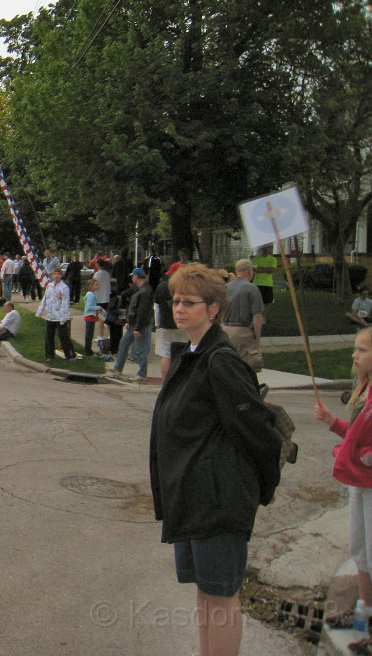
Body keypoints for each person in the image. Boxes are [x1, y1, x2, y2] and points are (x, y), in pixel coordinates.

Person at [149, 264, 281, 656]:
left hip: (217, 499)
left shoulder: (219, 359)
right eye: (176, 300)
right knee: (207, 595)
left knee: (222, 599)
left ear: (214, 308)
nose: (180, 308)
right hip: (193, 496)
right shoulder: (191, 353)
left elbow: (258, 431)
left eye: (190, 302)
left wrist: (258, 487)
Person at [315, 327, 372, 648]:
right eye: (355, 349)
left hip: (370, 482)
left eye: (362, 350)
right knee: (361, 550)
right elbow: (357, 435)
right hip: (359, 482)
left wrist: (366, 456)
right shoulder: (363, 388)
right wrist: (333, 422)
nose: (355, 355)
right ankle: (364, 612)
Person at [105, 268, 154, 382]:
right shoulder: (139, 290)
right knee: (124, 343)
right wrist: (129, 321)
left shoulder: (144, 292)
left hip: (140, 325)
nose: (132, 278)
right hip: (134, 324)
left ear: (136, 277)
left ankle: (142, 374)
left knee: (141, 348)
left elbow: (143, 311)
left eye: (133, 276)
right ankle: (118, 368)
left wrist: (138, 328)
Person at [223, 258, 265, 373]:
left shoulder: (226, 287)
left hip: (225, 330)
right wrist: (257, 336)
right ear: (249, 271)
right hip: (243, 332)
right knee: (245, 368)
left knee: (229, 366)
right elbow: (257, 316)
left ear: (237, 271)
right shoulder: (252, 288)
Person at [153, 262, 188, 379]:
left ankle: (165, 383)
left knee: (165, 355)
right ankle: (180, 381)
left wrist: (157, 324)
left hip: (165, 324)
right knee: (183, 354)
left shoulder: (161, 287)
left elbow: (156, 308)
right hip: (183, 324)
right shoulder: (187, 287)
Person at [36, 268, 77, 361]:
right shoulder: (49, 286)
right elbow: (45, 299)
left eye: (58, 274)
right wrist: (40, 311)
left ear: (61, 276)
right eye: (54, 274)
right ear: (52, 276)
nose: (56, 276)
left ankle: (70, 355)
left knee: (63, 336)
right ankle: (50, 355)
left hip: (60, 316)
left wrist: (63, 317)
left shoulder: (64, 287)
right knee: (49, 336)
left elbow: (65, 303)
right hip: (50, 315)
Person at [82, 278, 101, 357]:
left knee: (89, 334)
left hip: (90, 316)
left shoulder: (90, 294)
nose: (98, 286)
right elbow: (90, 307)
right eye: (96, 285)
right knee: (89, 335)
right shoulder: (91, 295)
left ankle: (88, 349)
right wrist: (98, 307)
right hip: (90, 316)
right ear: (91, 286)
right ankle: (88, 351)